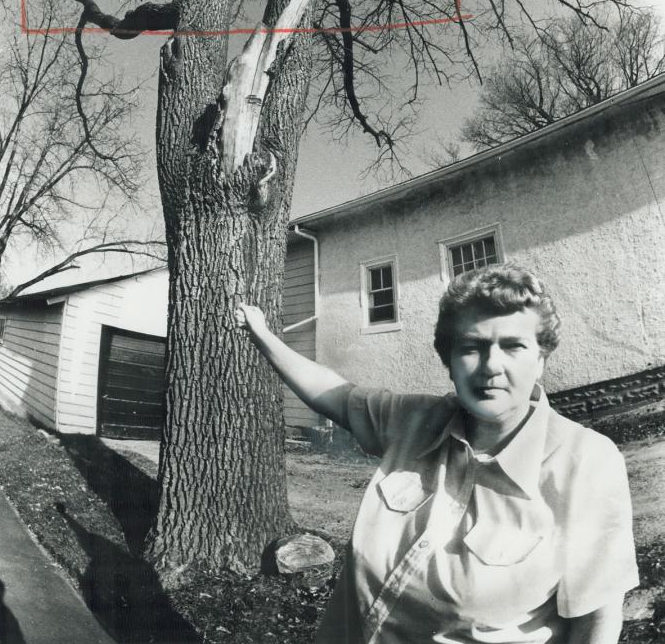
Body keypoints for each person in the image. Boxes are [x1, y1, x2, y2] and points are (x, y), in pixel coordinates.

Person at [236, 263, 639, 644]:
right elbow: (335, 395)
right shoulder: (415, 420)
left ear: (541, 358)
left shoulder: (584, 461)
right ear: (448, 360)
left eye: (513, 346)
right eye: (471, 347)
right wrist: (262, 335)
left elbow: (596, 619)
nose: (490, 366)